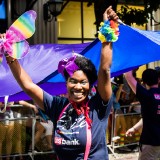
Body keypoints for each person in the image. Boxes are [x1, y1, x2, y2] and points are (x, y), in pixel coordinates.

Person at [0, 6, 119, 160]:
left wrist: (109, 27)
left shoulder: (98, 107)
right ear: (67, 83)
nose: (78, 86)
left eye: (83, 82)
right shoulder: (58, 106)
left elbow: (104, 70)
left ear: (90, 86)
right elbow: (28, 86)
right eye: (73, 81)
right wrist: (10, 54)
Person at [124, 68, 160, 160]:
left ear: (144, 82)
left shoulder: (146, 95)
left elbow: (128, 76)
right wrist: (134, 128)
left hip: (150, 142)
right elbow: (149, 117)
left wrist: (131, 62)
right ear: (158, 79)